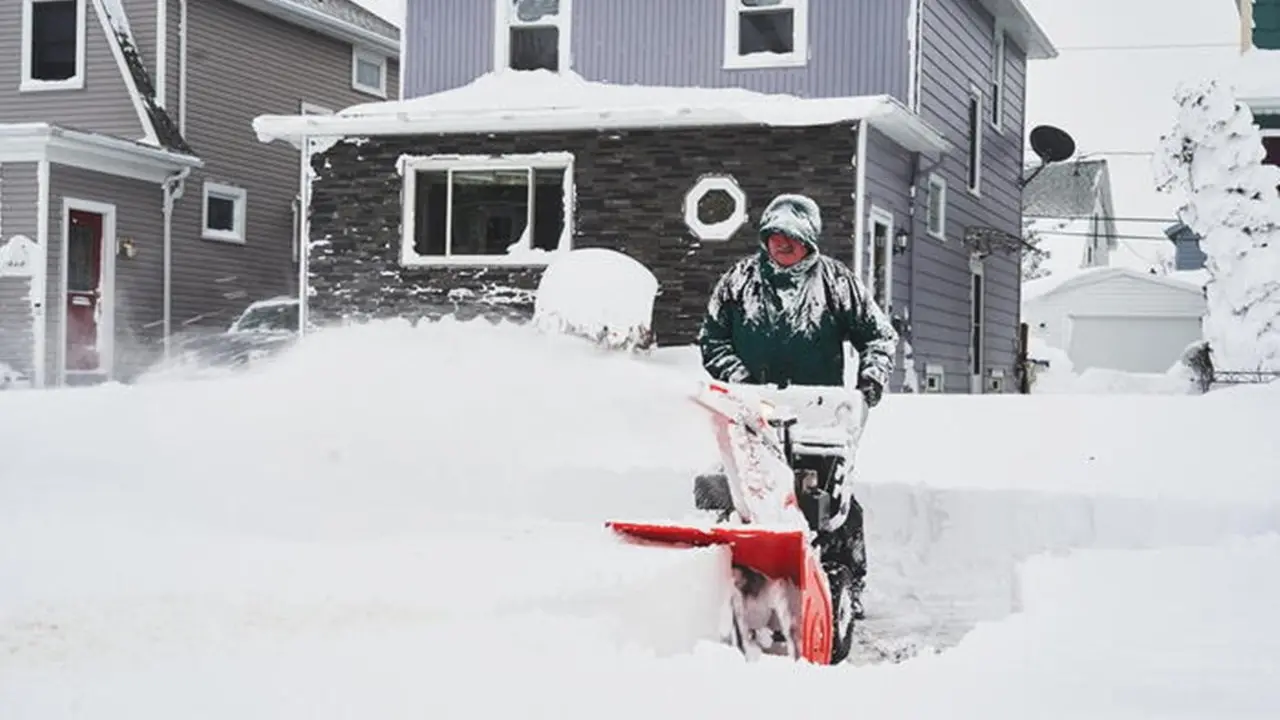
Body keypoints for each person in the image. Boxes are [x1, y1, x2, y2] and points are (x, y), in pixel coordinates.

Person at [697, 192, 899, 641]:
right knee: (730, 490)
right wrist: (739, 376)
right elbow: (712, 338)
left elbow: (879, 337)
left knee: (827, 503)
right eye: (775, 235)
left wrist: (869, 382)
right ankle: (724, 577)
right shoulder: (739, 282)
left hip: (819, 416)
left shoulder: (836, 282)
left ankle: (844, 580)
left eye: (793, 237)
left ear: (810, 240)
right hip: (751, 412)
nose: (782, 244)